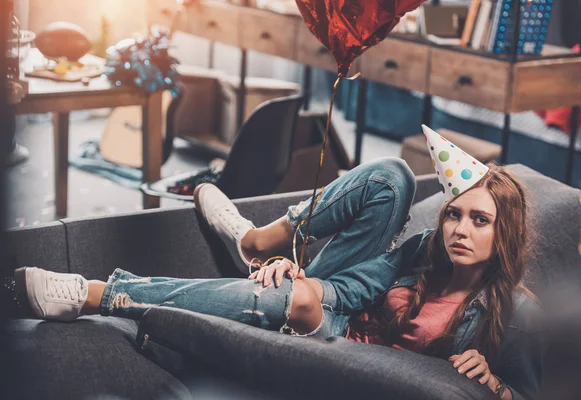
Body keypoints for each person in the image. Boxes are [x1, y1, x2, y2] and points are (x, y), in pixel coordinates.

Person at [7, 126, 541, 399]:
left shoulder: (513, 311)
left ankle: (97, 293)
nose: (459, 230)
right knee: (392, 177)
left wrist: (498, 387)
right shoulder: (426, 249)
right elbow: (360, 287)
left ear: (506, 232)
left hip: (343, 352)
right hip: (336, 307)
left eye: (479, 221)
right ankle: (259, 242)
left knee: (295, 298)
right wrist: (307, 284)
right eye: (456, 215)